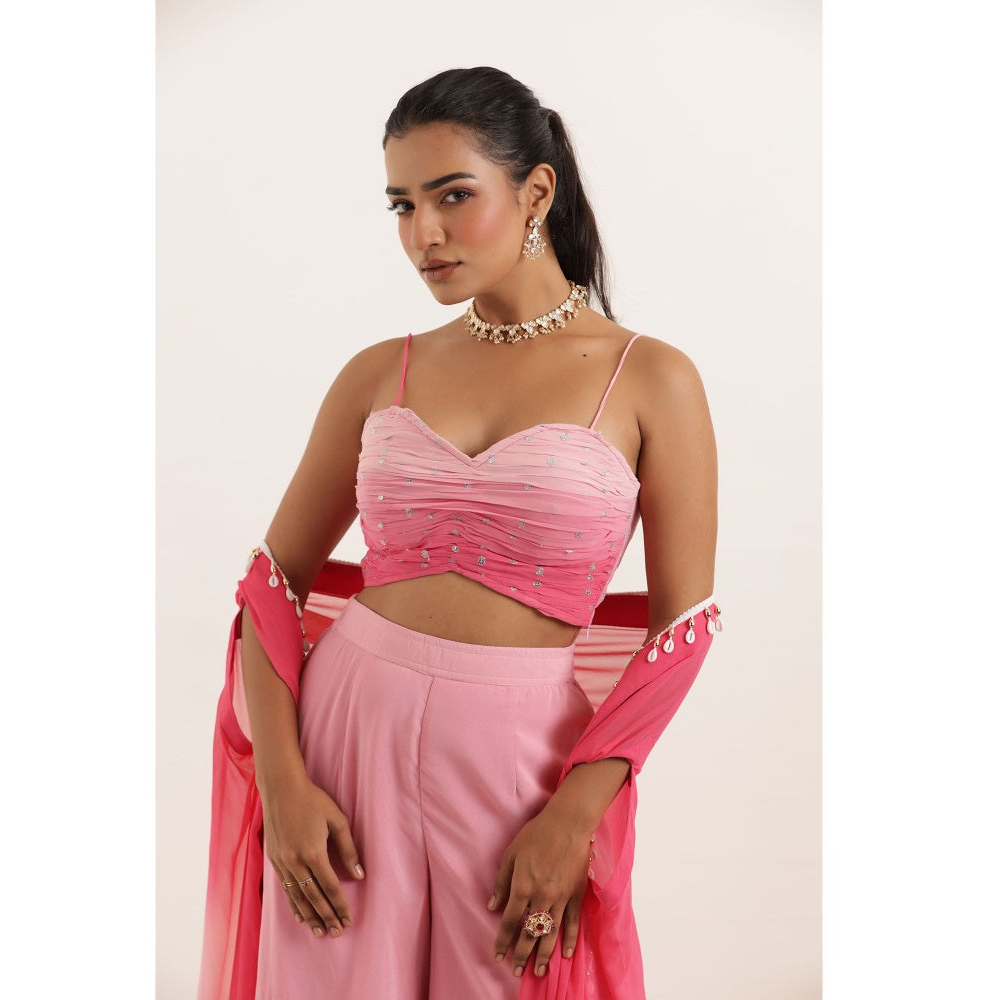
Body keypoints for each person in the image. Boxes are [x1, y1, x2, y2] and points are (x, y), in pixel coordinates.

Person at [199, 66, 720, 1000]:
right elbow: (272, 582)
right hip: (345, 737)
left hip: (518, 759)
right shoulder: (381, 371)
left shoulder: (651, 379)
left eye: (452, 196)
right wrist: (281, 783)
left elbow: (681, 629)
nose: (423, 235)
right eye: (402, 205)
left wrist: (575, 815)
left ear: (537, 192)